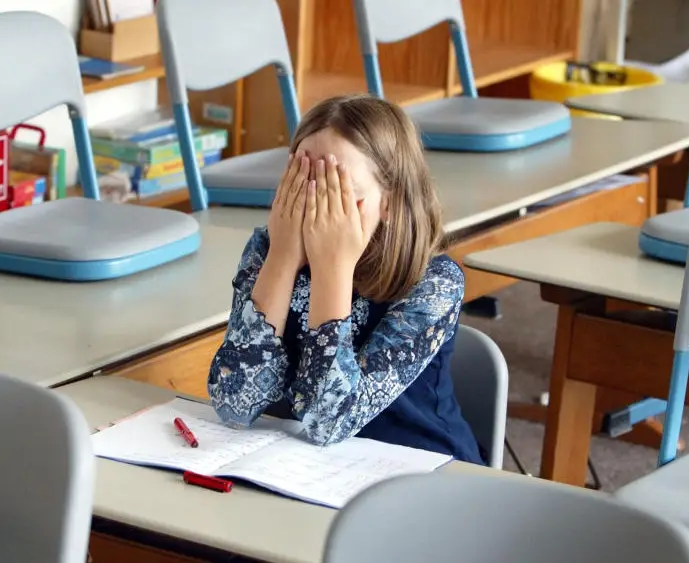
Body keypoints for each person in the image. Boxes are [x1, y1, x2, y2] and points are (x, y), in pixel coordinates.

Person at [207, 94, 485, 464]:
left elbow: (329, 420)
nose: (319, 213)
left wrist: (332, 268)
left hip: (419, 469)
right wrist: (282, 258)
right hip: (308, 467)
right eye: (304, 188)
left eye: (341, 197)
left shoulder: (434, 282)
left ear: (391, 200)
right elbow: (233, 403)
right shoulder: (268, 250)